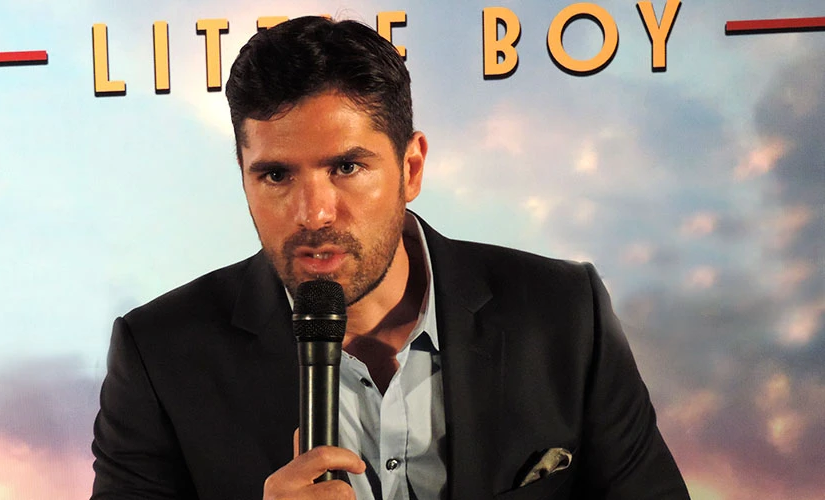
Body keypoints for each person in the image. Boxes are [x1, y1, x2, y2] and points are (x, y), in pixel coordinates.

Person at [91, 16, 690, 500]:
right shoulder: (160, 355)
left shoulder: (563, 314)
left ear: (411, 168)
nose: (313, 213)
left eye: (346, 167)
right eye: (275, 175)